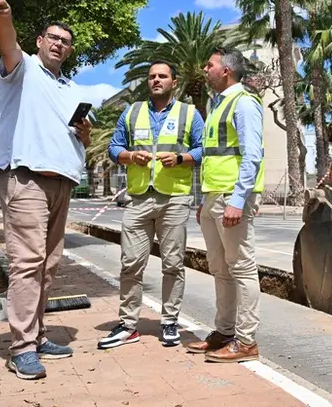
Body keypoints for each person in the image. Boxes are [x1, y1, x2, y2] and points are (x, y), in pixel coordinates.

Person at [0, 0, 92, 380]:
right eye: (53, 37)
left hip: (62, 182)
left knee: (48, 266)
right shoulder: (23, 68)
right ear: (40, 41)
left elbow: (79, 137)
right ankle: (22, 348)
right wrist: (5, 15)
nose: (59, 43)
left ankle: (39, 334)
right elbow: (7, 44)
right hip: (26, 178)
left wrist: (85, 132)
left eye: (65, 40)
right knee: (27, 264)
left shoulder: (72, 88)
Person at [98, 60, 204, 349]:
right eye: (152, 76)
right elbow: (114, 148)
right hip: (138, 197)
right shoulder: (131, 112)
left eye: (162, 76)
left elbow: (202, 149)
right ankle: (128, 325)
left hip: (174, 198)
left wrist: (181, 159)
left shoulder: (189, 114)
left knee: (173, 264)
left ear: (174, 81)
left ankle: (169, 322)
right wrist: (130, 156)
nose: (156, 80)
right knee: (130, 263)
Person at [185, 47, 264, 363]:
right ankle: (225, 331)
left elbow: (251, 155)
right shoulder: (219, 106)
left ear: (227, 70)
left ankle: (246, 342)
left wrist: (237, 200)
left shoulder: (244, 104)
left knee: (242, 268)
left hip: (232, 198)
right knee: (220, 269)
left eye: (210, 64)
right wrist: (204, 200)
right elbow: (214, 157)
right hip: (214, 197)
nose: (205, 69)